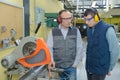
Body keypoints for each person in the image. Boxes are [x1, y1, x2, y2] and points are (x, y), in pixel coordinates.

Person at [84, 8, 120, 80]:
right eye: (85, 19)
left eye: (88, 19)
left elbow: (115, 51)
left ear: (96, 17)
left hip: (100, 69)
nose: (86, 22)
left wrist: (109, 67)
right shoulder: (89, 30)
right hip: (89, 67)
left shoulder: (108, 29)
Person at [47, 9, 83, 80]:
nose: (69, 21)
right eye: (66, 19)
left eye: (70, 18)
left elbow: (79, 48)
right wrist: (51, 60)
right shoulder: (53, 32)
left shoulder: (76, 31)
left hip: (71, 67)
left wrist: (75, 63)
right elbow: (49, 48)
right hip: (57, 67)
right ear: (60, 20)